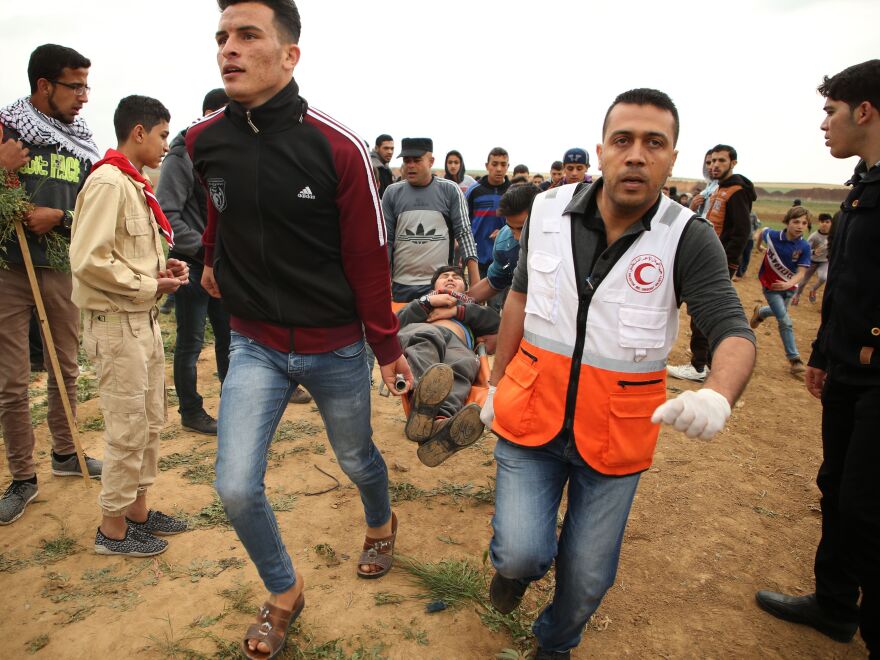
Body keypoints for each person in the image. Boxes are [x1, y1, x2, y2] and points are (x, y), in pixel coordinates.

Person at [480, 88, 755, 659]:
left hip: (615, 433)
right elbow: (518, 300)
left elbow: (732, 328)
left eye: (654, 143)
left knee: (587, 578)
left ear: (672, 157)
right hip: (530, 416)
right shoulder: (547, 211)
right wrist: (497, 381)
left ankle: (555, 644)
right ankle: (514, 570)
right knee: (522, 552)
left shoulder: (688, 237)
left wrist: (718, 394)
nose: (636, 155)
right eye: (623, 140)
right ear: (602, 149)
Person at [186, 2, 412, 656]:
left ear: (290, 55)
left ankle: (380, 521)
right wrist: (210, 260)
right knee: (234, 485)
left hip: (334, 346)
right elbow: (219, 206)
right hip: (253, 342)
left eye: (246, 35)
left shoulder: (338, 148)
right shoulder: (204, 141)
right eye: (222, 37)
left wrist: (387, 347)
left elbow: (368, 254)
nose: (228, 49)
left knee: (355, 458)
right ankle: (284, 590)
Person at [756, 58, 880, 657]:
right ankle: (834, 605)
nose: (824, 124)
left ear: (865, 111)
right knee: (836, 488)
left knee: (867, 508)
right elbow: (852, 285)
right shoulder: (864, 185)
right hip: (848, 370)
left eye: (831, 111)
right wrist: (823, 353)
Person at [70, 95, 190, 556]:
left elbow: (124, 255)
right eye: (162, 135)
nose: (165, 145)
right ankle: (112, 529)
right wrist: (149, 283)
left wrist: (162, 270)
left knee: (149, 421)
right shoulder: (108, 183)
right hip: (118, 324)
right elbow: (89, 260)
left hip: (141, 321)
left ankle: (137, 511)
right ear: (139, 132)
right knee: (126, 428)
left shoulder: (132, 183)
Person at [0, 44, 103, 526]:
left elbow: (94, 210)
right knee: (12, 381)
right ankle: (23, 477)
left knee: (66, 368)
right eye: (74, 86)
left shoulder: (81, 144)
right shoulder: (6, 131)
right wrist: (1, 167)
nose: (84, 96)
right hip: (9, 269)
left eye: (86, 86)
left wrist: (58, 216)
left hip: (60, 268)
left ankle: (66, 453)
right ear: (44, 85)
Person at [156, 88, 232, 435]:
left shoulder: (222, 155)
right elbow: (168, 215)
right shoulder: (181, 155)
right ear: (207, 115)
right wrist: (207, 250)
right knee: (190, 343)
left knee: (229, 338)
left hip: (221, 265)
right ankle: (190, 411)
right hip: (190, 265)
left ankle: (234, 407)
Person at [667, 143, 755, 382]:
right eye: (711, 161)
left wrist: (726, 263)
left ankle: (698, 366)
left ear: (733, 163)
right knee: (698, 311)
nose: (714, 165)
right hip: (706, 256)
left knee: (702, 311)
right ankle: (704, 361)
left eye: (720, 161)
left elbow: (741, 231)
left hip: (717, 260)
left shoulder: (736, 191)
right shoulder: (716, 189)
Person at [397, 265, 499, 467]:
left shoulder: (470, 306)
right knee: (427, 342)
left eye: (457, 277)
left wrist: (458, 310)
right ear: (433, 286)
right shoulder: (424, 302)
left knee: (463, 366)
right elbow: (395, 323)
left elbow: (496, 322)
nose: (451, 278)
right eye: (444, 276)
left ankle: (437, 422)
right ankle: (421, 401)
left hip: (460, 346)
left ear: (466, 288)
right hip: (425, 332)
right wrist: (427, 303)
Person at [383, 137, 479, 301]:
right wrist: (383, 284)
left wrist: (475, 282)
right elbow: (386, 241)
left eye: (417, 160)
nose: (410, 165)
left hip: (441, 286)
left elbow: (464, 234)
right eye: (407, 160)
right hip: (401, 286)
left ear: (431, 161)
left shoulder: (450, 191)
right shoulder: (392, 193)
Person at [749, 206, 812, 376]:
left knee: (779, 311)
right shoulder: (773, 236)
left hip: (790, 288)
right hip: (771, 287)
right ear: (787, 222)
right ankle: (794, 359)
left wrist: (788, 284)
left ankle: (760, 313)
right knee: (784, 320)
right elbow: (762, 231)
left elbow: (801, 273)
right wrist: (758, 247)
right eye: (796, 222)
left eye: (804, 223)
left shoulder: (804, 246)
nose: (800, 226)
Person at [467, 183, 539, 303]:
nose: (517, 237)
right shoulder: (504, 243)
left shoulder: (564, 237)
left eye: (522, 229)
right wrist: (459, 301)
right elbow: (493, 281)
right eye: (511, 228)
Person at [466, 147, 511, 308]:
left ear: (508, 166)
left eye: (503, 164)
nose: (499, 169)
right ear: (487, 166)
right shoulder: (474, 191)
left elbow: (521, 224)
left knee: (495, 308)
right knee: (473, 304)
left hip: (502, 260)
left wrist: (505, 232)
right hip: (477, 258)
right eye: (495, 164)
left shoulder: (512, 192)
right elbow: (464, 222)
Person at [793, 212, 832, 304]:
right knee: (802, 282)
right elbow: (805, 250)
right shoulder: (814, 236)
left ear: (831, 223)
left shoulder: (833, 236)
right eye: (822, 222)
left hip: (824, 261)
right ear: (819, 223)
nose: (824, 224)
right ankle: (797, 295)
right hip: (811, 261)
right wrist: (814, 252)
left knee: (823, 277)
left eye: (827, 222)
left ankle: (813, 290)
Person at [734, 211, 762, 280]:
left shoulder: (753, 214)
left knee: (746, 256)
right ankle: (738, 274)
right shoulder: (739, 212)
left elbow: (757, 225)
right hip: (740, 238)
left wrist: (755, 234)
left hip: (750, 239)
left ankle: (743, 271)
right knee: (739, 255)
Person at [370, 133, 394, 198]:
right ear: (376, 148)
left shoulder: (385, 168)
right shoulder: (372, 168)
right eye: (386, 148)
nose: (390, 152)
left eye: (392, 148)